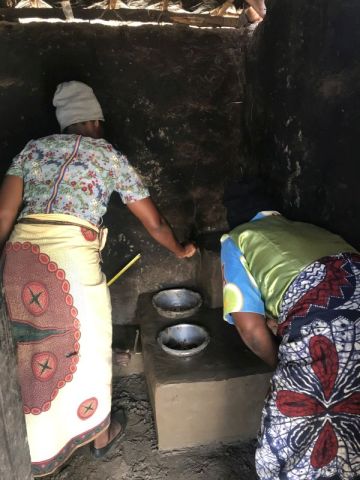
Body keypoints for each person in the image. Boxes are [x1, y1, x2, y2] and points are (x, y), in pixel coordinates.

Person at [0, 81, 196, 477]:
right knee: (87, 349)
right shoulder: (108, 156)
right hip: (71, 259)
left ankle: (32, 451)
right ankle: (99, 437)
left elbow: (4, 215)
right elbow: (153, 221)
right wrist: (181, 250)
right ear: (93, 120)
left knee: (27, 349)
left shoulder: (33, 149)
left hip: (22, 258)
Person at [221, 179, 360, 480]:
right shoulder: (308, 228)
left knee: (297, 426)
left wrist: (281, 366)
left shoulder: (237, 239)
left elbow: (251, 330)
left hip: (325, 325)